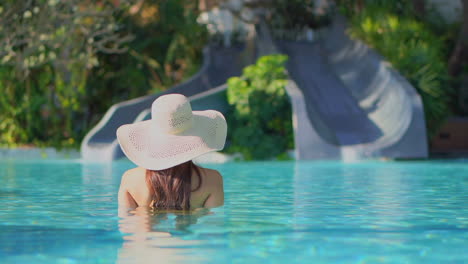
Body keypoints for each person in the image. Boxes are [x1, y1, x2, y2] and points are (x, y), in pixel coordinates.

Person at [116, 94, 226, 211]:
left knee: (144, 218)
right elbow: (213, 226)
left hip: (145, 226)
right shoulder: (212, 180)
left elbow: (126, 224)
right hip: (192, 223)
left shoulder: (130, 179)